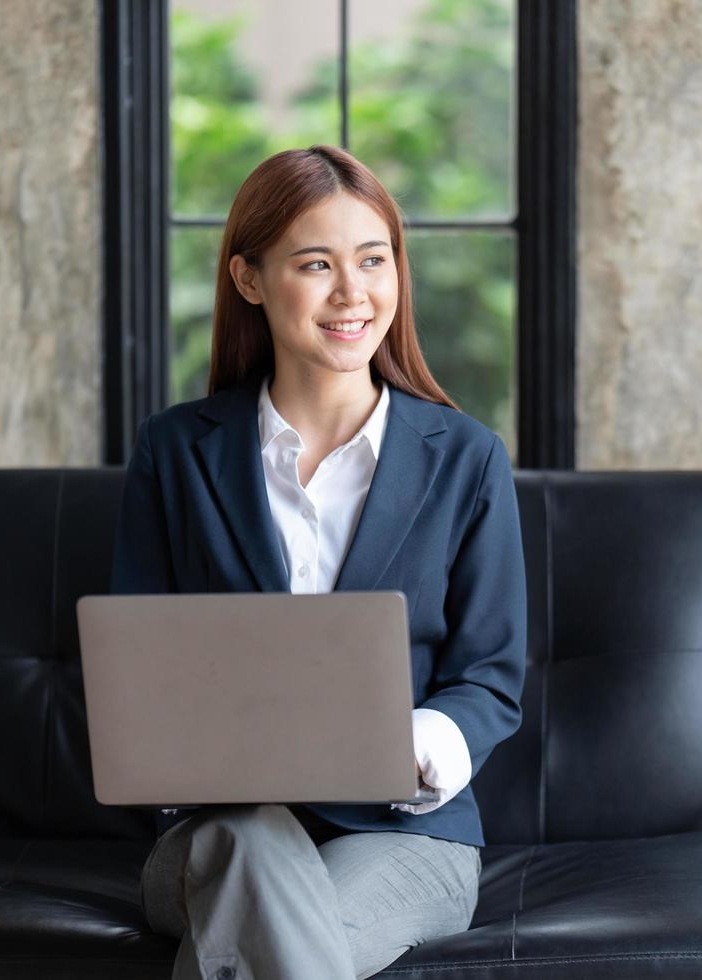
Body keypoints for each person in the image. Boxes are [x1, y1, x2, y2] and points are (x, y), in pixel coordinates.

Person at [107, 145, 528, 980]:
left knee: (272, 933)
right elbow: (135, 668)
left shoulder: (465, 458)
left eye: (374, 261)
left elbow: (490, 676)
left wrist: (415, 744)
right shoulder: (175, 453)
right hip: (217, 829)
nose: (352, 293)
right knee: (245, 848)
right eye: (316, 264)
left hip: (405, 836)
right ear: (250, 279)